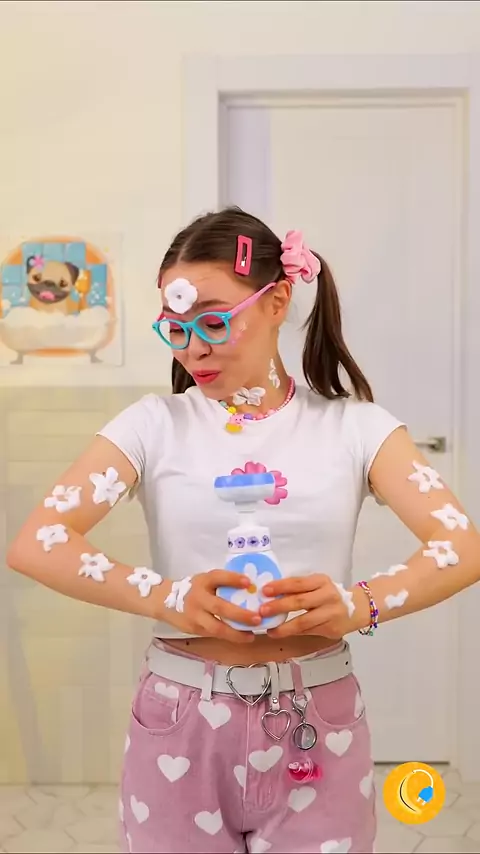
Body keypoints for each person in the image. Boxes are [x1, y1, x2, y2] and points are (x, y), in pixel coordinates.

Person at [7, 207, 480, 854]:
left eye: (213, 320)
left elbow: (461, 547)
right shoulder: (151, 426)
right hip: (178, 721)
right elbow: (39, 542)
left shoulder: (356, 428)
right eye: (176, 328)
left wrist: (359, 605)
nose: (193, 349)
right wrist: (168, 598)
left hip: (317, 719)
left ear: (277, 301)